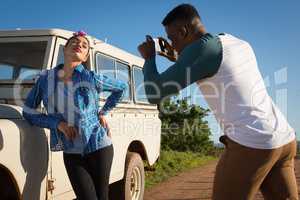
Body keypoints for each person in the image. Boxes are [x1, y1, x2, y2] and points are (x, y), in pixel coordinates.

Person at [138, 4, 298, 200]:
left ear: (183, 31)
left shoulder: (202, 50)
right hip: (284, 138)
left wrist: (149, 58)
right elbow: (203, 59)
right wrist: (177, 56)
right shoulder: (236, 42)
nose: (173, 44)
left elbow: (155, 93)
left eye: (173, 39)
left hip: (253, 143)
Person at [23, 31, 127, 200]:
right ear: (65, 49)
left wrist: (103, 112)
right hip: (71, 150)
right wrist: (57, 124)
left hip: (99, 146)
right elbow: (28, 111)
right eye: (74, 42)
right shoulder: (45, 80)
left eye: (84, 45)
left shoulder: (91, 78)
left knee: (102, 197)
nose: (79, 45)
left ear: (85, 57)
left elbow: (121, 88)